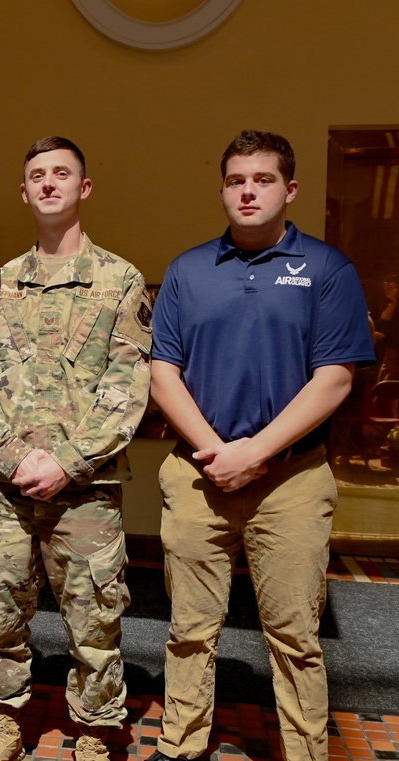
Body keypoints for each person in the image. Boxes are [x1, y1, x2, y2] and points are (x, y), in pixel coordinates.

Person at [148, 130, 375, 761]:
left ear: (289, 188)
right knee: (190, 629)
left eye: (263, 179)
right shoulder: (187, 271)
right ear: (222, 189)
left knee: (295, 633)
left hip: (293, 480)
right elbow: (161, 370)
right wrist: (219, 452)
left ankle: (305, 751)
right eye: (236, 180)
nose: (248, 191)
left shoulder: (327, 269)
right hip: (199, 475)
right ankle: (181, 744)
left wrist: (256, 453)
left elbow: (334, 377)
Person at [0, 136, 152, 761]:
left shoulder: (119, 281)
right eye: (37, 176)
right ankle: (4, 720)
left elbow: (127, 388)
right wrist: (17, 458)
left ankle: (96, 732)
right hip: (4, 486)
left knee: (95, 621)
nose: (49, 184)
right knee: (1, 612)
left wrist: (66, 461)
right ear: (23, 192)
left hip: (86, 493)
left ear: (84, 188)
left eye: (62, 174)